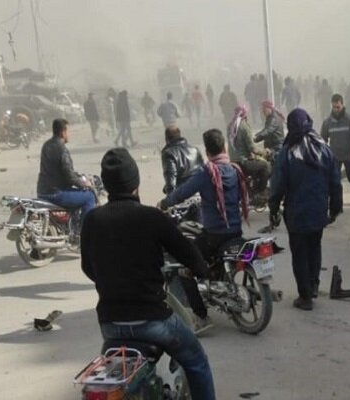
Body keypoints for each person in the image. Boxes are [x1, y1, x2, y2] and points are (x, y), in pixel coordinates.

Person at [81, 148, 216, 399]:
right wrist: (201, 269)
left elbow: (88, 268)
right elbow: (187, 251)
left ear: (107, 185)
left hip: (110, 324)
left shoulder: (92, 219)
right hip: (153, 322)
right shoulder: (151, 217)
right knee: (197, 361)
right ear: (136, 182)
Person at [159, 129, 249, 331]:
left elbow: (181, 192)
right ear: (224, 147)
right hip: (236, 231)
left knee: (185, 265)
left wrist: (164, 202)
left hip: (214, 235)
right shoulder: (235, 169)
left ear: (207, 151)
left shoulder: (207, 173)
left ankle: (201, 316)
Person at [269, 108, 343, 311]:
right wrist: (335, 209)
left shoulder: (288, 153)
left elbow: (277, 185)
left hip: (296, 213)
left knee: (300, 253)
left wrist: (273, 208)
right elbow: (335, 182)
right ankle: (313, 285)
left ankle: (305, 296)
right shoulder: (323, 149)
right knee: (314, 247)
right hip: (319, 211)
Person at [37, 119, 96, 226]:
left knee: (75, 192)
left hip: (42, 191)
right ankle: (84, 231)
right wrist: (85, 183)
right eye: (68, 131)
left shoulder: (46, 145)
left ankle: (72, 223)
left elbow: (61, 170)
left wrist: (79, 176)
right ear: (62, 132)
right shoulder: (62, 149)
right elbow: (69, 176)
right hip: (55, 193)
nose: (69, 134)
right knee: (89, 196)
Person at [321, 94, 350, 203]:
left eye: (338, 107)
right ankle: (338, 202)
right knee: (335, 180)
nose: (336, 110)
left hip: (349, 154)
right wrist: (323, 153)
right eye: (334, 107)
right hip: (335, 155)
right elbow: (323, 139)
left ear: (342, 105)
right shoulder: (327, 122)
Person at [227, 106, 271, 197]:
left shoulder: (230, 126)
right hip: (243, 162)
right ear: (245, 114)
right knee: (266, 166)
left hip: (233, 161)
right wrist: (264, 152)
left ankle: (251, 189)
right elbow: (253, 148)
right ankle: (259, 192)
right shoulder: (244, 126)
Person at [161, 126, 204, 195]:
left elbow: (171, 180)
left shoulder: (168, 153)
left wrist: (169, 200)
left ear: (166, 139)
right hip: (200, 192)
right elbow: (203, 172)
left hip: (183, 195)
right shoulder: (195, 150)